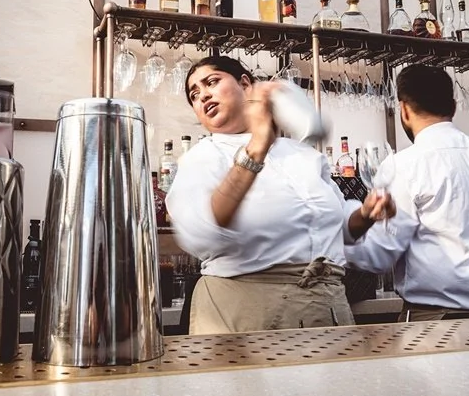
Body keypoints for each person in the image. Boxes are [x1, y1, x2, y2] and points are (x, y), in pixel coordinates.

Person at [165, 55, 394, 335]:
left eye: (211, 82)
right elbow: (201, 234)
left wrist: (366, 214)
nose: (203, 95)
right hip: (246, 313)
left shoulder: (303, 155)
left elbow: (339, 228)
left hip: (325, 307)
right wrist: (256, 147)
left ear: (245, 84)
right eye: (194, 94)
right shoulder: (201, 158)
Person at [344, 64, 469, 322]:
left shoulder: (403, 166)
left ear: (404, 110)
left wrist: (337, 237)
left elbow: (380, 255)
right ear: (453, 107)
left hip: (438, 321)